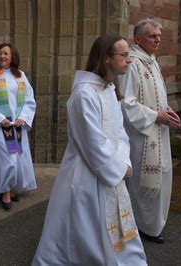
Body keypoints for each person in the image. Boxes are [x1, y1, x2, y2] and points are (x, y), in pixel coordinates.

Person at [32, 34, 147, 265]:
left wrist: (124, 163)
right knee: (84, 225)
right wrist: (116, 167)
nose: (129, 59)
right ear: (106, 58)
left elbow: (120, 133)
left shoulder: (109, 89)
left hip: (112, 169)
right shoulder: (84, 93)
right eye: (124, 55)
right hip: (86, 174)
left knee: (112, 224)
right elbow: (92, 141)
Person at [118, 18, 181, 244]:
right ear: (137, 39)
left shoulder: (152, 62)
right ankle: (141, 225)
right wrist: (156, 116)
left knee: (163, 174)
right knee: (140, 182)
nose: (158, 40)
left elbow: (158, 95)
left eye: (159, 36)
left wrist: (167, 112)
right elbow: (127, 103)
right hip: (141, 135)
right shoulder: (133, 64)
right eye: (152, 36)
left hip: (158, 130)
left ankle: (154, 223)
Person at [0, 43, 37, 210]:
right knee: (7, 160)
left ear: (13, 56)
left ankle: (11, 188)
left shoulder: (20, 76)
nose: (2, 56)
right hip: (1, 126)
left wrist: (23, 118)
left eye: (5, 53)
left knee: (17, 158)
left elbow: (29, 99)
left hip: (17, 125)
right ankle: (4, 191)